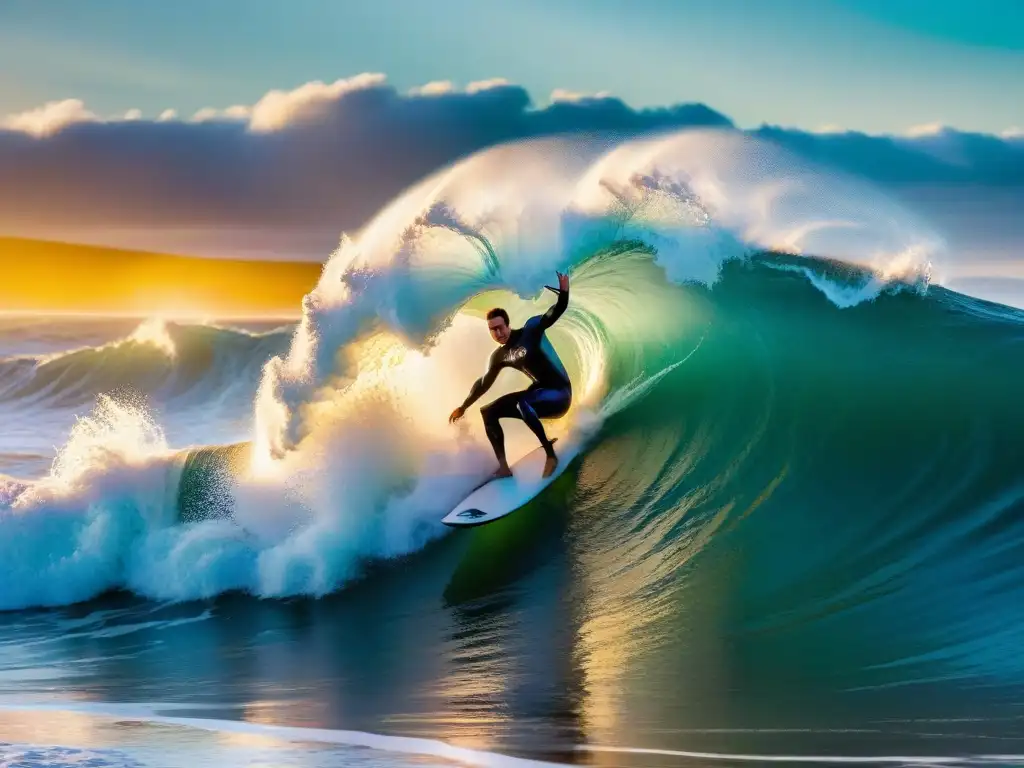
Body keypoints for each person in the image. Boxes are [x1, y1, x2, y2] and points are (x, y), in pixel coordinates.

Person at [449, 271, 572, 479]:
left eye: (500, 327)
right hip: (539, 395)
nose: (497, 333)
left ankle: (550, 456)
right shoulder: (500, 356)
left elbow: (555, 312)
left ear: (507, 324)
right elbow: (483, 384)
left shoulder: (531, 330)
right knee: (488, 412)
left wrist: (564, 292)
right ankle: (504, 467)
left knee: (524, 402)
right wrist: (463, 406)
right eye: (492, 330)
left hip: (560, 395)